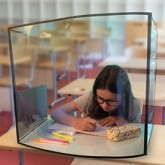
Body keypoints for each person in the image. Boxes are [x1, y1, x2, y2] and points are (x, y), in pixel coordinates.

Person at [51, 65, 141, 132]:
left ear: (124, 96)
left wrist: (122, 120)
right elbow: (56, 113)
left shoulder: (133, 105)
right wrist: (76, 122)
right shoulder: (90, 98)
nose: (104, 105)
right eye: (100, 98)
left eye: (112, 101)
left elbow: (137, 132)